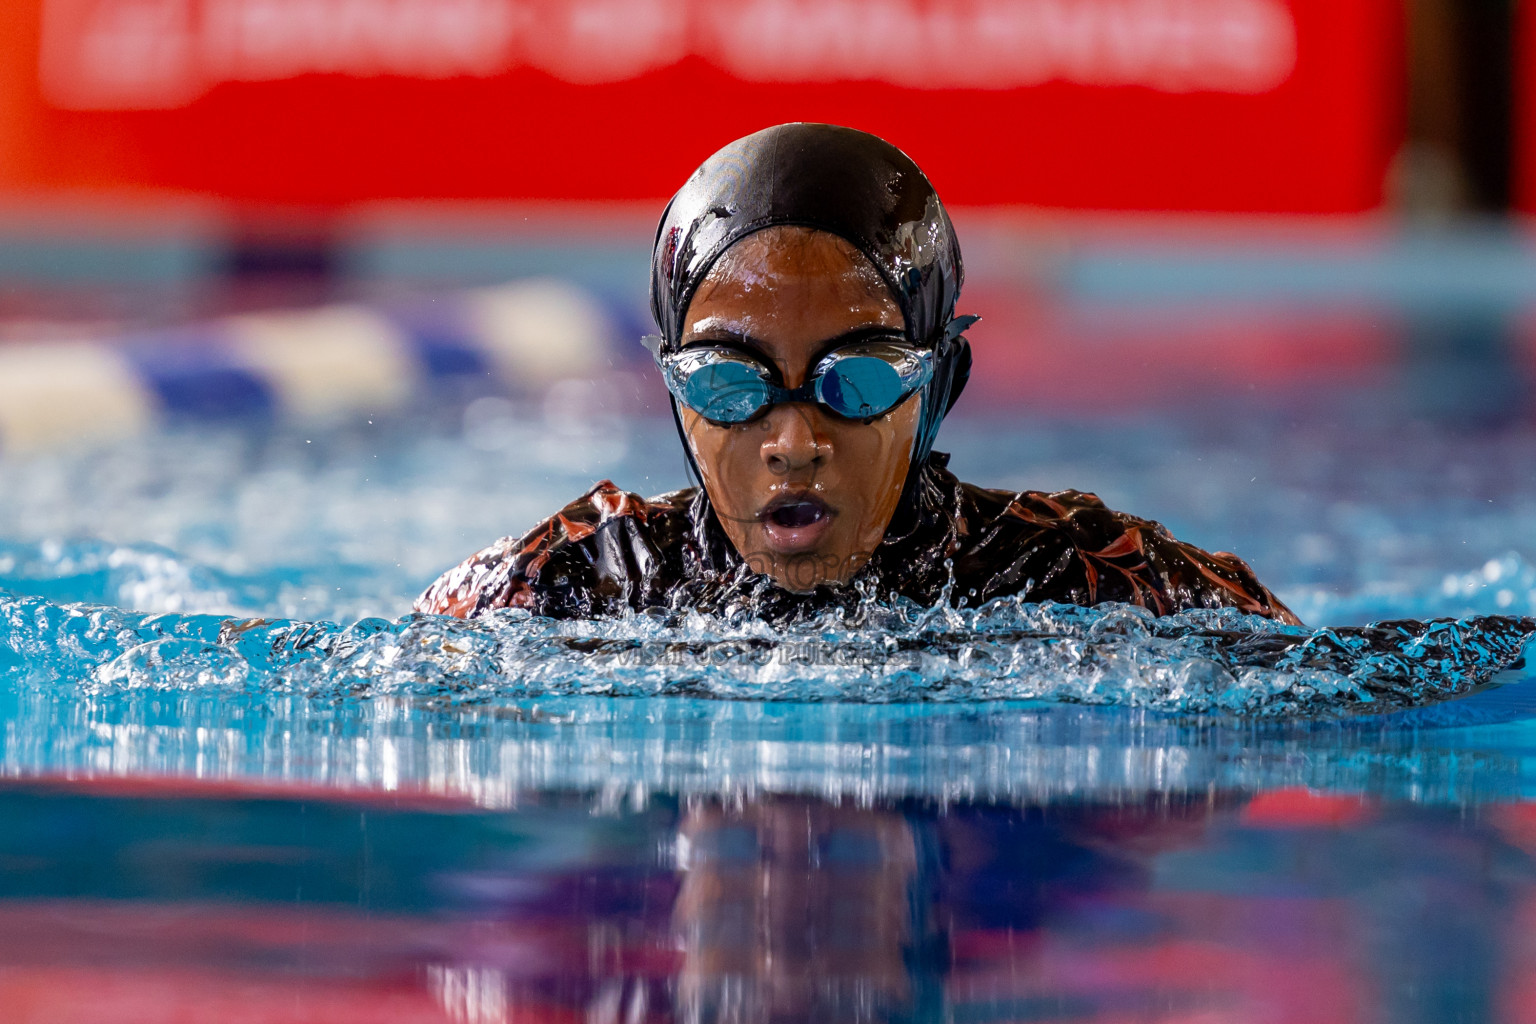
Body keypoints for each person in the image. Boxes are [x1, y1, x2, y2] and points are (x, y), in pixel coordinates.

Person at [416, 123, 1299, 625]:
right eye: (732, 384)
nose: (793, 443)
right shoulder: (579, 580)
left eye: (859, 380)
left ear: (940, 386)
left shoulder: (1084, 577)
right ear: (674, 394)